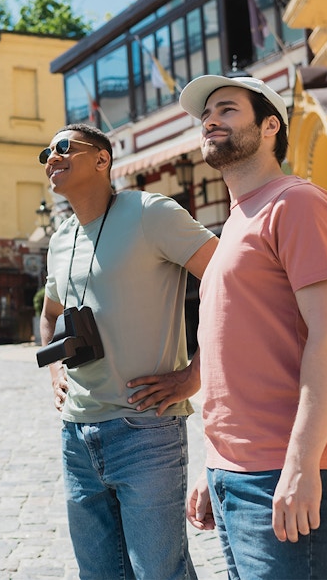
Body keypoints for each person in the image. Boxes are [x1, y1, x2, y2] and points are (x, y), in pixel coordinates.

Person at [174, 75, 327, 580]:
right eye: (206, 115)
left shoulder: (296, 202)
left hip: (289, 468)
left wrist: (300, 464)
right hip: (234, 473)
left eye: (228, 110)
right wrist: (214, 466)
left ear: (270, 126)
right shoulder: (234, 222)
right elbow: (227, 353)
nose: (210, 120)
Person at [38, 122, 217, 580]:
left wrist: (196, 373)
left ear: (102, 159)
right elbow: (49, 316)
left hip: (145, 429)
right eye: (46, 154)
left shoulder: (149, 212)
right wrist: (55, 366)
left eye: (63, 148)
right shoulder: (60, 239)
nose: (51, 158)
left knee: (160, 573)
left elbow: (227, 278)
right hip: (76, 433)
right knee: (98, 573)